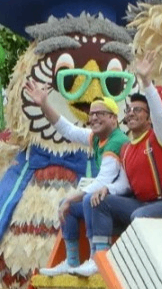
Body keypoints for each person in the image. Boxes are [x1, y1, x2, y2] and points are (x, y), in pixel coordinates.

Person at [83, 52, 162, 276]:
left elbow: (161, 116)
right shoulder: (127, 149)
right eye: (129, 110)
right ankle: (98, 260)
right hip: (141, 204)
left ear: (148, 118)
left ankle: (146, 270)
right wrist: (106, 189)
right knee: (100, 202)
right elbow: (124, 184)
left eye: (137, 110)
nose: (131, 113)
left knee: (138, 217)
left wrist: (147, 82)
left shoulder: (160, 137)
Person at [24, 78, 129, 277]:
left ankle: (97, 259)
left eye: (100, 114)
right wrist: (45, 104)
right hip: (107, 196)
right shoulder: (98, 137)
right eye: (92, 114)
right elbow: (69, 130)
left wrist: (72, 197)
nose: (94, 118)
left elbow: (103, 182)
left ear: (114, 119)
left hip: (123, 198)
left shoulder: (117, 141)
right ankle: (72, 261)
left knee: (91, 199)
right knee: (70, 206)